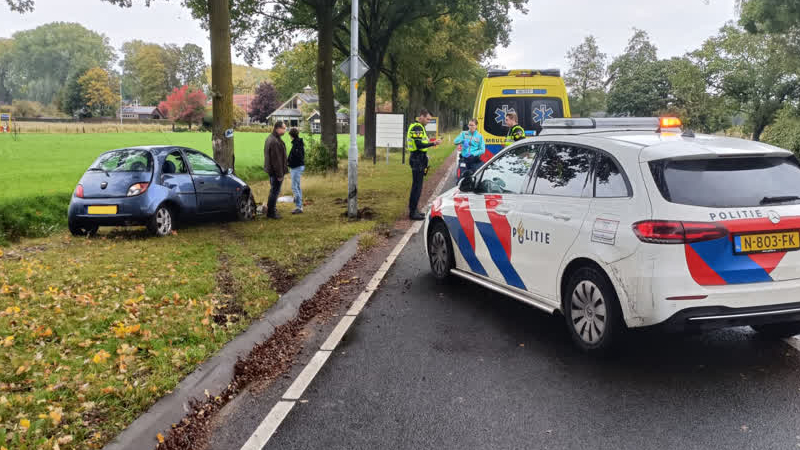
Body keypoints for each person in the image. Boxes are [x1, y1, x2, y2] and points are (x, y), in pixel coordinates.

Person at [407, 108, 442, 221]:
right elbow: (419, 145)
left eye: (429, 120)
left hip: (420, 158)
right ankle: (412, 212)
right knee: (416, 187)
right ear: (421, 116)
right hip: (417, 158)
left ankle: (415, 209)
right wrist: (433, 143)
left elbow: (422, 143)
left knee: (418, 186)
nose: (428, 121)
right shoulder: (417, 127)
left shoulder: (420, 127)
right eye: (427, 119)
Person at [264, 121, 289, 219]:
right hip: (275, 172)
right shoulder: (274, 141)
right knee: (275, 191)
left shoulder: (272, 138)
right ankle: (271, 212)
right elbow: (276, 160)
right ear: (277, 128)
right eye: (284, 128)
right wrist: (280, 174)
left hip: (272, 170)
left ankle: (272, 209)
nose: (285, 130)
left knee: (273, 191)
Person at [287, 127, 305, 214]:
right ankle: (300, 205)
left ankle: (299, 206)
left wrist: (289, 162)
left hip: (296, 167)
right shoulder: (298, 143)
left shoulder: (296, 144)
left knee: (294, 187)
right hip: (298, 167)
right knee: (297, 186)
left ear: (291, 135)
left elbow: (297, 157)